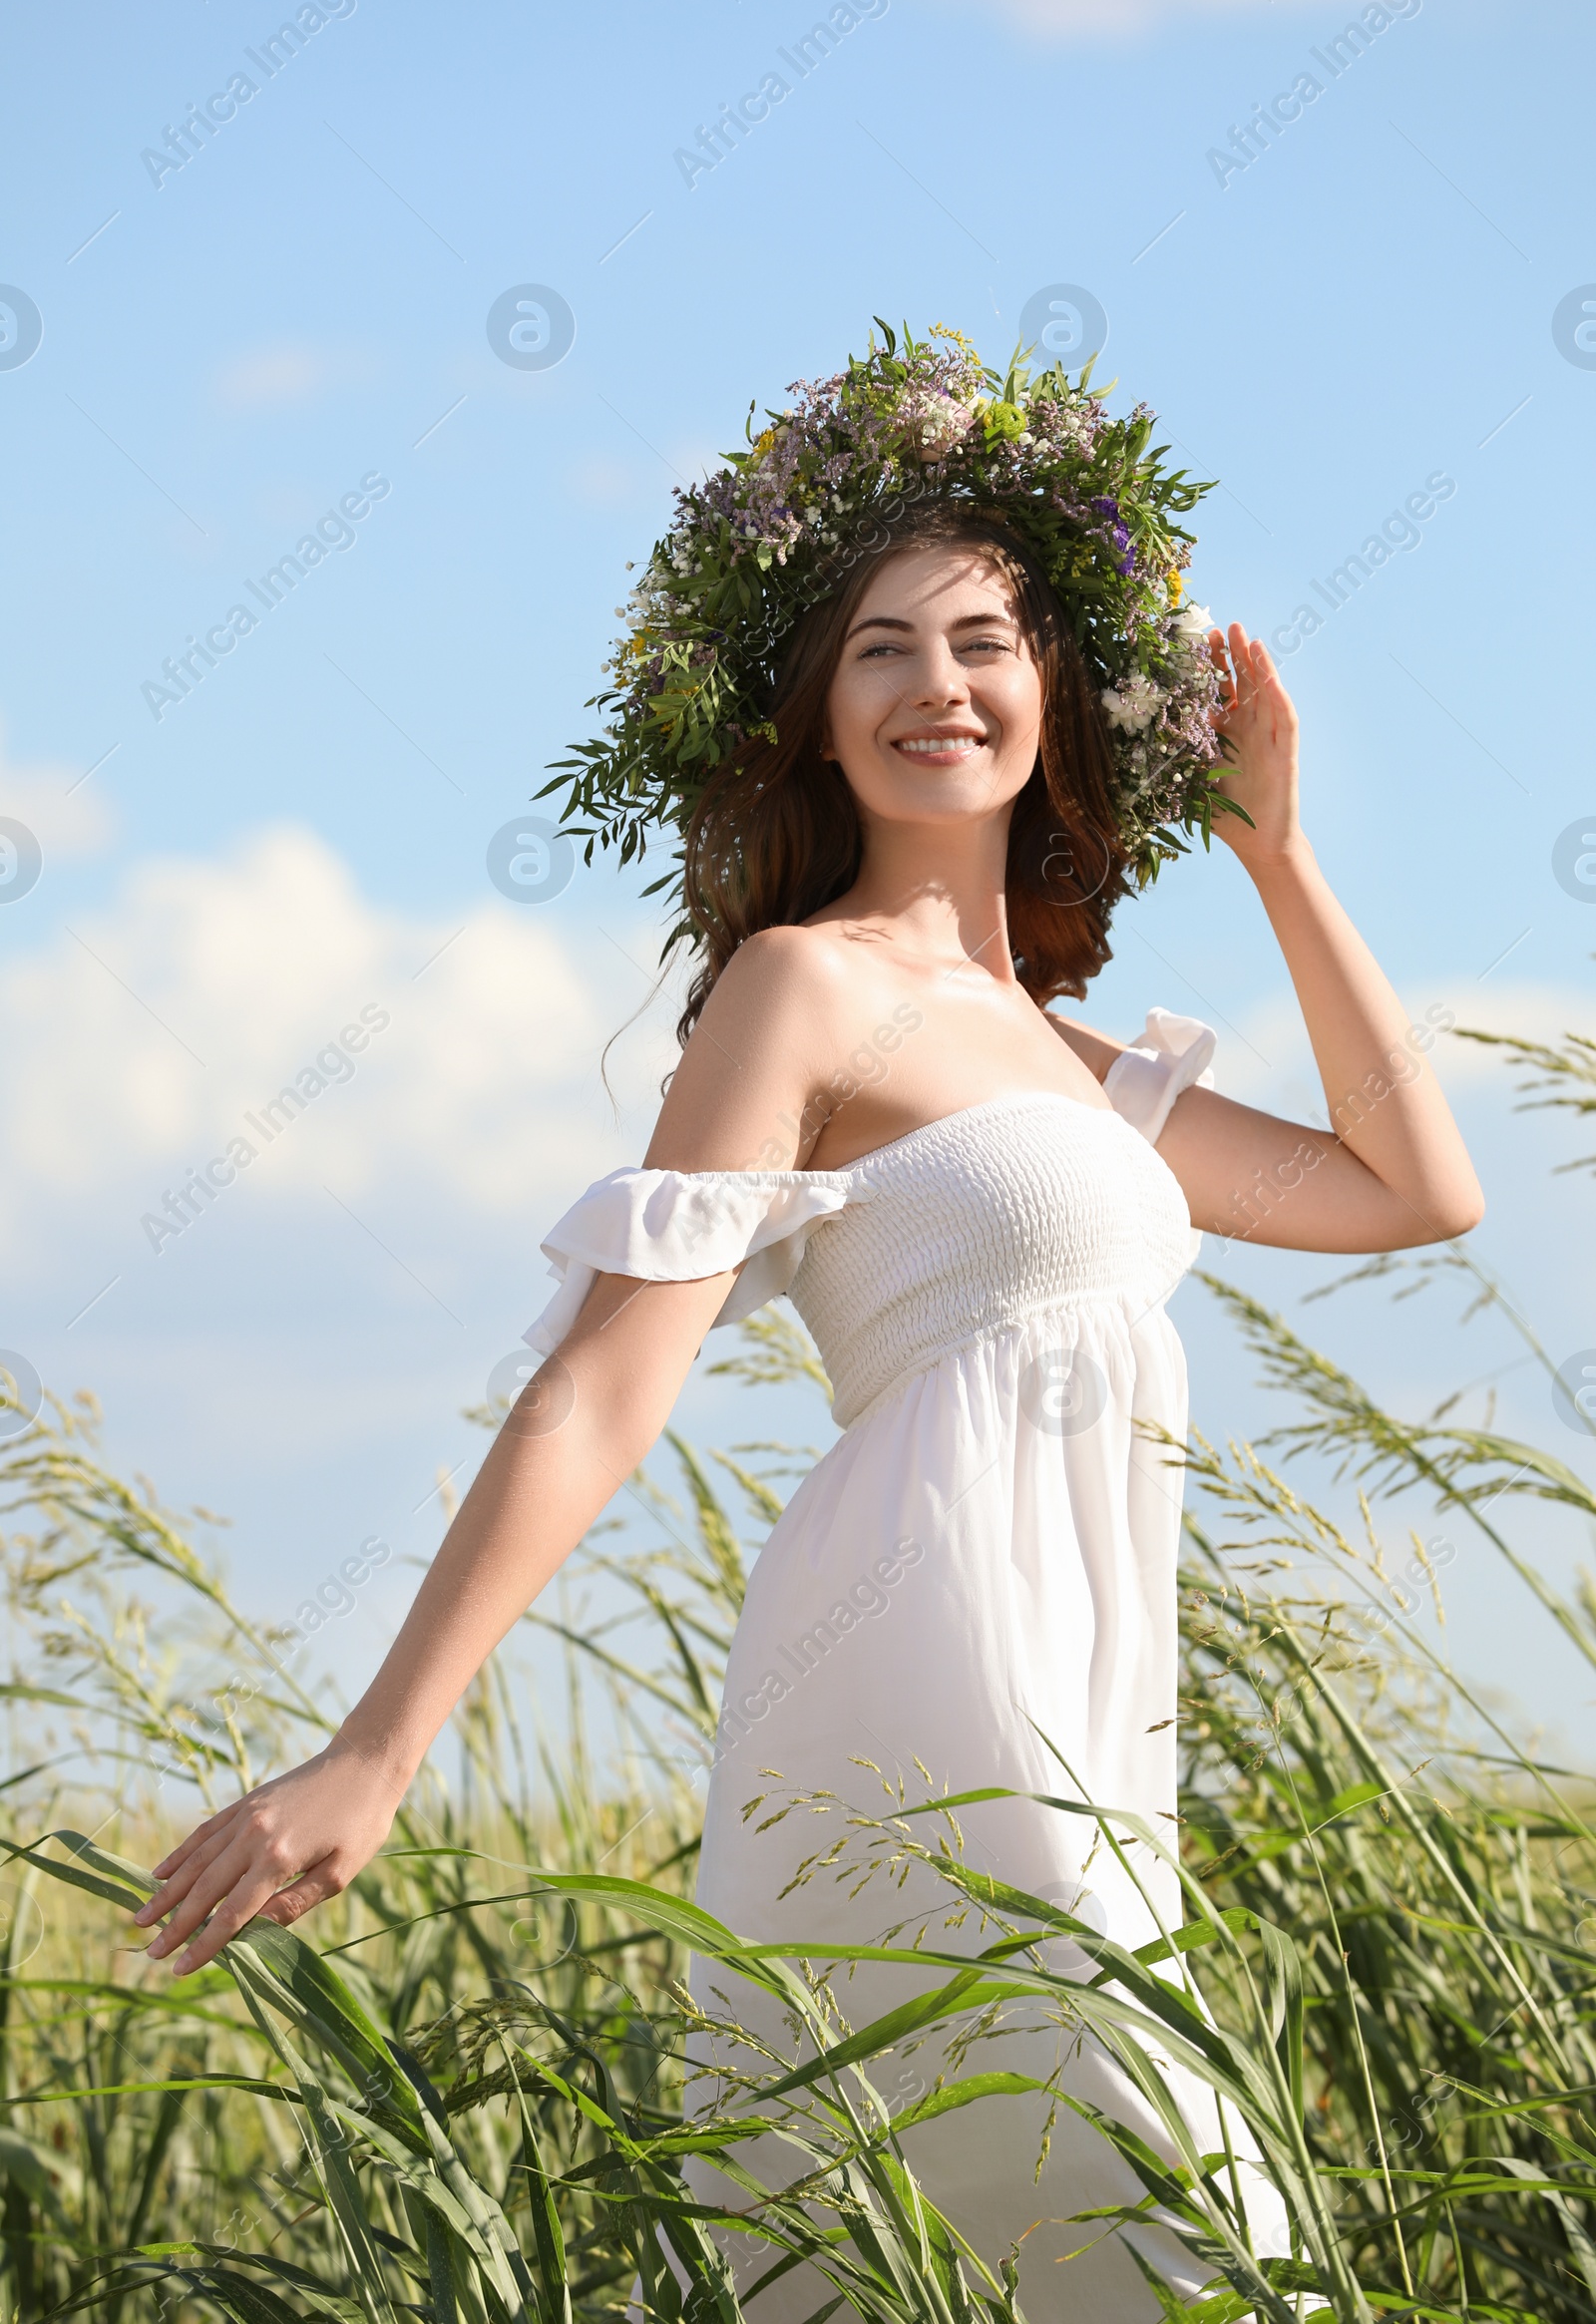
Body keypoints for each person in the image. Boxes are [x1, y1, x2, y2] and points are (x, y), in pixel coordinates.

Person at [132, 331, 1483, 2317]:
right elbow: (605, 1382)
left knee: (1099, 2227)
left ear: (1052, 696)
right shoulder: (799, 989)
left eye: (984, 642)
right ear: (812, 718)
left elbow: (1411, 1190)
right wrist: (377, 1746)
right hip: (912, 1667)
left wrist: (1273, 851)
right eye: (880, 648)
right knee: (1184, 2240)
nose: (938, 683)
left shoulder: (1082, 1071)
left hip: (1086, 1706)